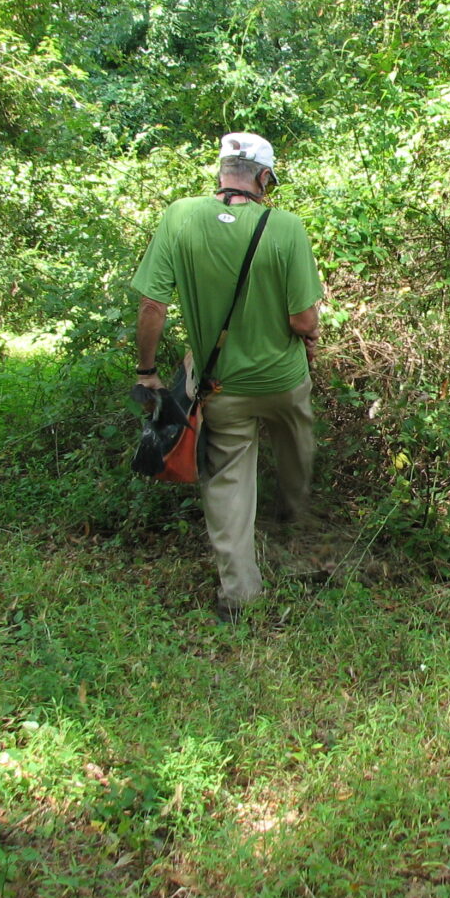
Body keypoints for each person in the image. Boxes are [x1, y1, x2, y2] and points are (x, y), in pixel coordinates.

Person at [131, 132, 323, 621]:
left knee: (228, 484)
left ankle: (239, 595)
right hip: (283, 381)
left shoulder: (180, 216)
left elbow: (153, 304)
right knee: (297, 448)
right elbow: (304, 322)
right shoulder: (286, 228)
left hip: (223, 388)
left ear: (222, 172)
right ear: (263, 178)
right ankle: (299, 521)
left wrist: (148, 371)